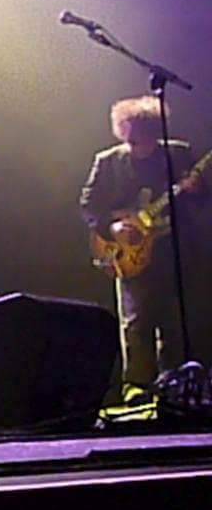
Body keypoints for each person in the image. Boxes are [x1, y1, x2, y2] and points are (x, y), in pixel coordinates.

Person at [80, 95, 205, 402]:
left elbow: (202, 200)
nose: (137, 147)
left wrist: (197, 189)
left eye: (143, 141)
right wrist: (112, 226)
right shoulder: (108, 161)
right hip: (130, 254)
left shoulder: (178, 154)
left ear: (155, 134)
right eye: (131, 141)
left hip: (172, 252)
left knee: (175, 324)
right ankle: (136, 389)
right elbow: (89, 204)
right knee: (136, 323)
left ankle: (172, 389)